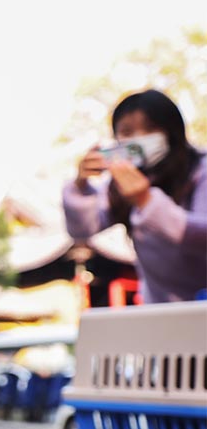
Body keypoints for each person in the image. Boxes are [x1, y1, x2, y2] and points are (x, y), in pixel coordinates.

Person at [63, 89, 207, 303]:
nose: (138, 139)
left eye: (150, 128)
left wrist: (146, 201)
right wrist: (80, 186)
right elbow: (83, 229)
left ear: (173, 130)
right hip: (161, 313)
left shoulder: (201, 169)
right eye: (127, 131)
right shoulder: (120, 183)